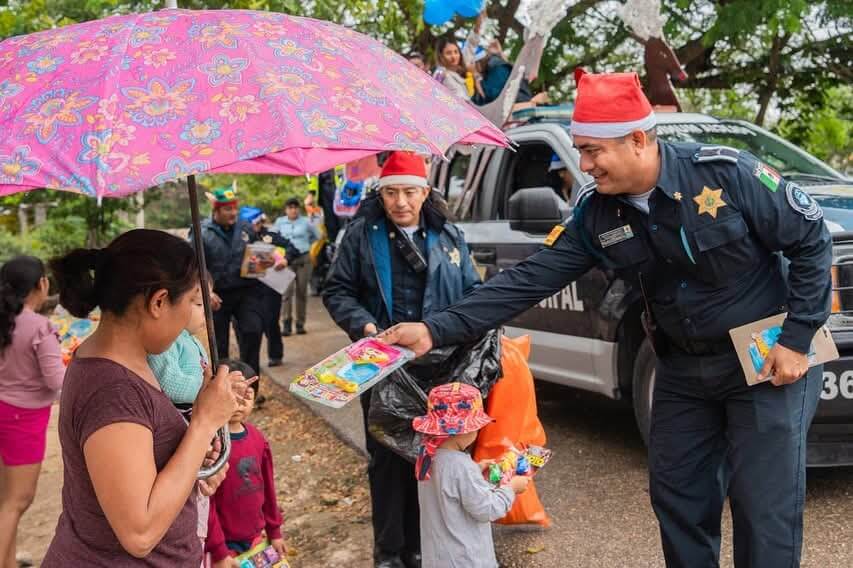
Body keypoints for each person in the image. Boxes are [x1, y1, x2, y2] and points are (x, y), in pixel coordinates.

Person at [381, 71, 832, 568]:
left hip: (765, 362)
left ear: (638, 139)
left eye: (593, 150)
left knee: (763, 507)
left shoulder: (726, 175)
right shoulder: (598, 214)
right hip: (682, 371)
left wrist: (798, 337)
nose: (584, 163)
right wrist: (434, 328)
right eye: (580, 149)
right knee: (679, 500)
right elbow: (530, 278)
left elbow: (812, 240)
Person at [41, 229, 251, 566]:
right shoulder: (111, 392)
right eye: (190, 303)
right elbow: (139, 533)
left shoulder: (135, 361)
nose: (189, 320)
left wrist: (195, 461)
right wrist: (203, 423)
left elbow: (145, 463)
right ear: (158, 302)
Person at [323, 151, 482, 568]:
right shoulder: (361, 234)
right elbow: (337, 291)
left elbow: (471, 295)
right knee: (387, 459)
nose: (400, 202)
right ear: (381, 193)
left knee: (436, 456)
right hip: (382, 366)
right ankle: (389, 552)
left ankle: (422, 546)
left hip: (441, 367)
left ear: (426, 192)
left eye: (409, 192)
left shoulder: (450, 235)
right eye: (391, 192)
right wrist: (365, 328)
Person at [413, 383, 529, 568]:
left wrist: (475, 470)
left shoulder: (427, 455)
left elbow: (448, 486)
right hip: (465, 559)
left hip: (437, 558)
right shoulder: (461, 467)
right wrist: (511, 489)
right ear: (464, 430)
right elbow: (487, 509)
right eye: (476, 427)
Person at [0, 256, 64, 568]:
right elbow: (56, 379)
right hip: (23, 419)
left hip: (3, 410)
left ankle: (9, 559)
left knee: (5, 498)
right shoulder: (40, 327)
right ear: (41, 284)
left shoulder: (5, 321)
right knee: (18, 500)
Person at [206, 359, 286, 564]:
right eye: (233, 396)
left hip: (256, 539)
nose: (239, 404)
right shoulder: (209, 447)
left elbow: (268, 487)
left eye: (247, 396)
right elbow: (206, 502)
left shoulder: (258, 440)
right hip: (222, 546)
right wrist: (218, 550)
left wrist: (274, 531)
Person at [192, 186, 272, 381]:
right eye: (227, 209)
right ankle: (225, 386)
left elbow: (257, 253)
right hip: (217, 295)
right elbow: (192, 266)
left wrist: (265, 261)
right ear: (216, 211)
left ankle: (251, 385)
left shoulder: (245, 227)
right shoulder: (201, 232)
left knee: (252, 331)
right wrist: (206, 292)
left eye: (234, 208)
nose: (233, 213)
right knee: (219, 344)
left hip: (247, 292)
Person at [242, 208, 297, 368]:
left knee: (271, 322)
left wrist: (286, 260)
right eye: (255, 223)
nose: (258, 225)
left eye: (260, 222)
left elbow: (291, 247)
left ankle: (275, 354)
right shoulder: (241, 238)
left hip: (271, 287)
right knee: (252, 325)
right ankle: (250, 363)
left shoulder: (270, 236)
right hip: (249, 288)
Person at [271, 197, 320, 336]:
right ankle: (286, 323)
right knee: (286, 292)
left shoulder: (306, 222)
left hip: (303, 259)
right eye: (290, 207)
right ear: (286, 209)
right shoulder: (280, 222)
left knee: (301, 292)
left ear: (299, 209)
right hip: (286, 260)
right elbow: (272, 236)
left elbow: (317, 236)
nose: (293, 210)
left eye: (295, 207)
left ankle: (300, 324)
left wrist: (305, 245)